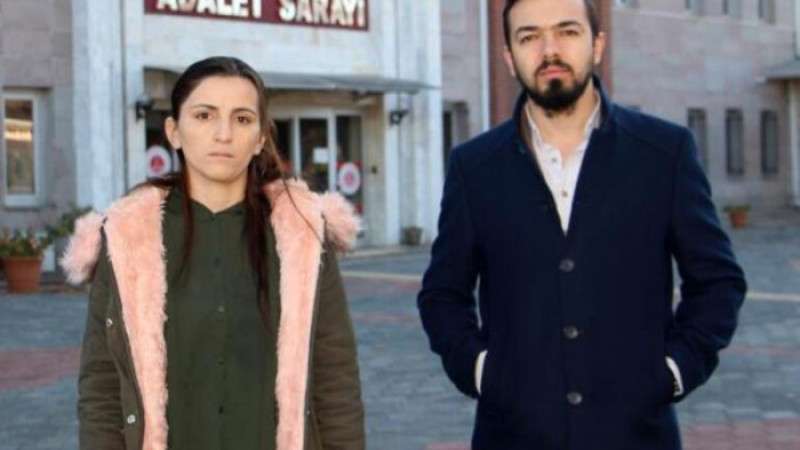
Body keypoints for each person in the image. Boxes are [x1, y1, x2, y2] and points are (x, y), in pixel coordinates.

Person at [417, 1, 747, 449]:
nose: (549, 50)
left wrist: (674, 371)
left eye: (567, 31)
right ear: (509, 56)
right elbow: (442, 294)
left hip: (636, 436)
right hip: (513, 436)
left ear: (598, 45)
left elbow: (718, 282)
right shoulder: (474, 167)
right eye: (529, 37)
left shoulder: (663, 153)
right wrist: (479, 370)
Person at [61, 56, 365, 450]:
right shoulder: (126, 237)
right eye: (204, 115)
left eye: (242, 119)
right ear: (174, 131)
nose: (224, 134)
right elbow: (101, 385)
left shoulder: (302, 235)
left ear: (260, 137)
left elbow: (335, 379)